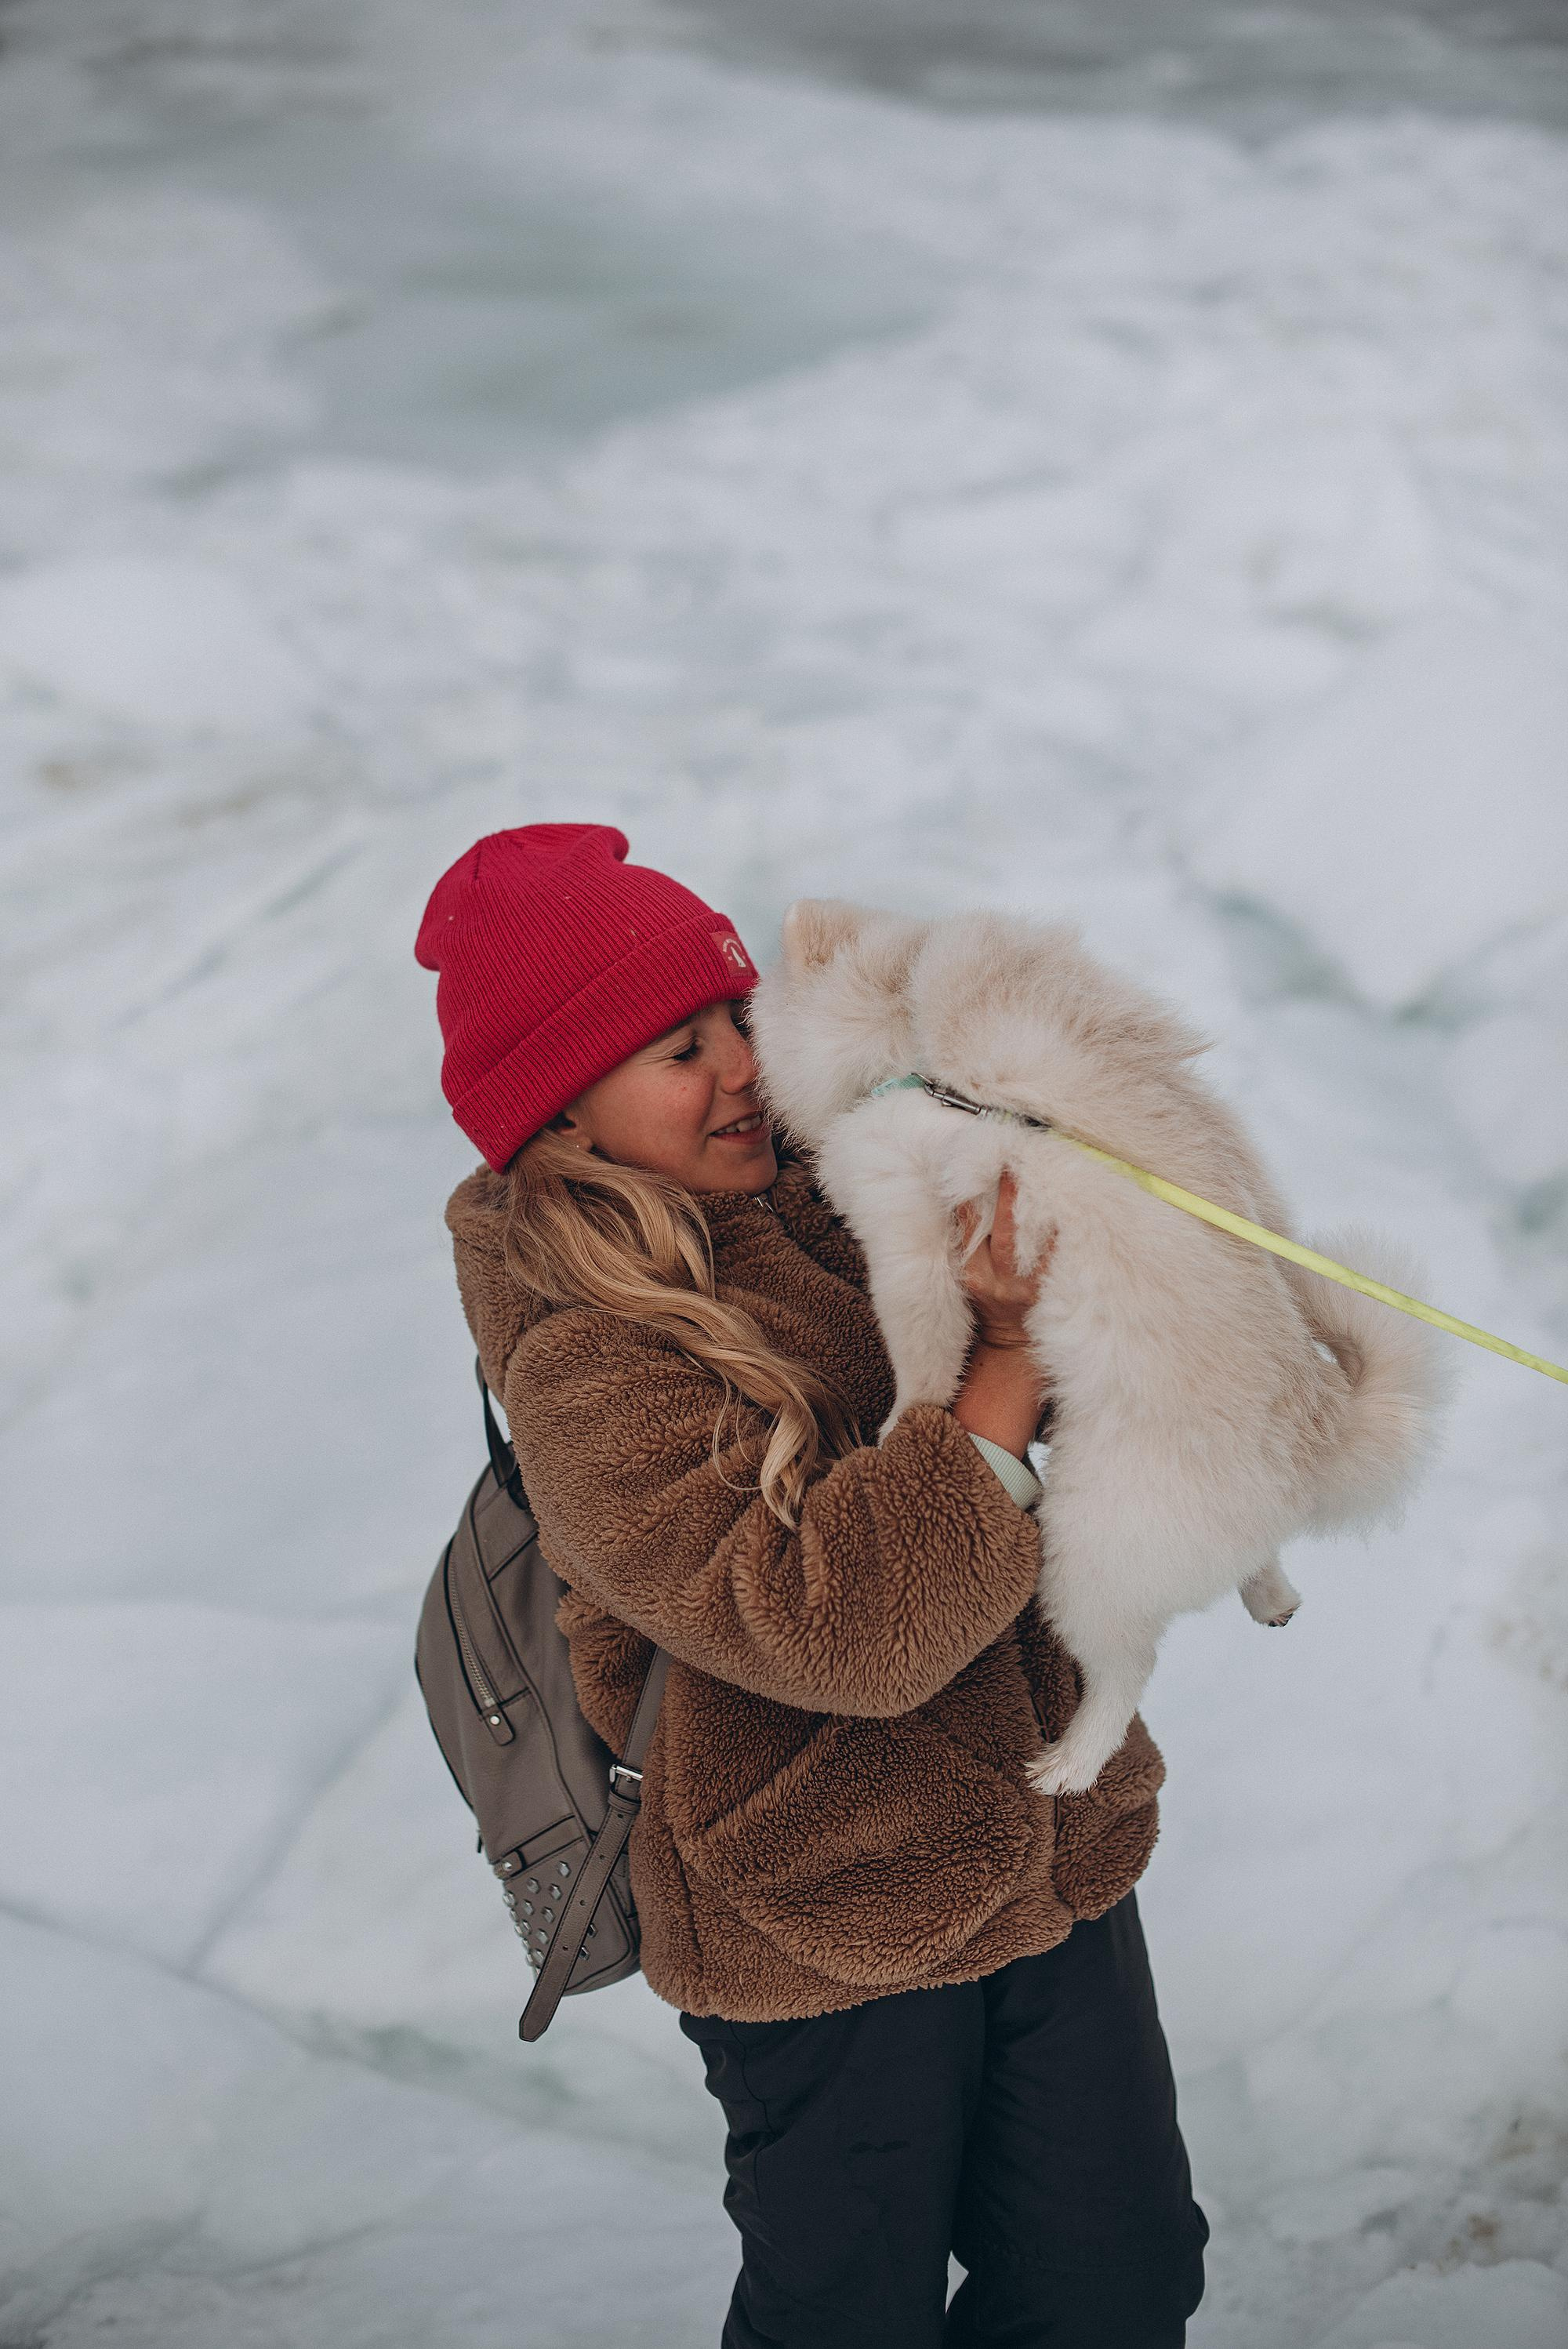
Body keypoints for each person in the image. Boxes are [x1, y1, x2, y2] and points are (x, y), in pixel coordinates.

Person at [416, 822, 1208, 2347]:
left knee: (1115, 2278)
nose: (731, 1066)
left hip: (1039, 1847)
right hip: (816, 1914)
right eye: (669, 1049)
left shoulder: (841, 1183)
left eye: (728, 1018)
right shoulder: (589, 1359)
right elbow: (835, 1628)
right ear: (556, 1112)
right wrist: (999, 1363)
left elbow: (1077, 1439)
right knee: (849, 2311)